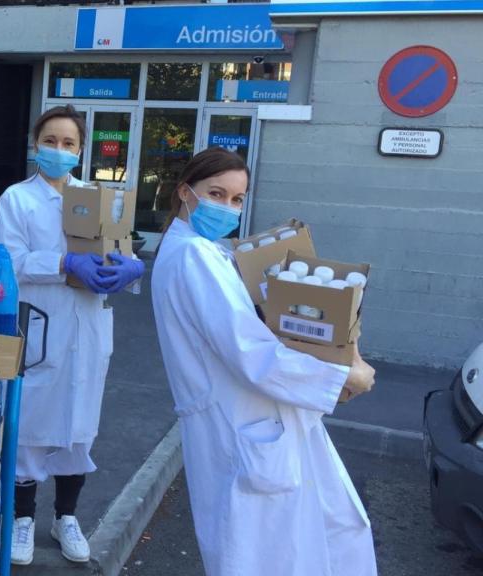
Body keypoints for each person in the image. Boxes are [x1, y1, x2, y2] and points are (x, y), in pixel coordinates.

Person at [150, 147, 378, 576]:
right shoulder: (194, 257)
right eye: (216, 194)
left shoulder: (205, 251)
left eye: (237, 199)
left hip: (253, 422)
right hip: (241, 425)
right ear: (185, 192)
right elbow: (250, 353)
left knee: (301, 543)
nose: (228, 207)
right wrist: (345, 374)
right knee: (268, 554)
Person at [0, 104, 145, 565]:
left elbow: (118, 246)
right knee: (29, 427)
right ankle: (22, 519)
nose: (58, 150)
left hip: (88, 323)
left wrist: (132, 267)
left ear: (81, 151)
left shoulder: (99, 198)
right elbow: (10, 260)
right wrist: (63, 263)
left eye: (68, 144)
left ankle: (66, 518)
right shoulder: (16, 199)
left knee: (80, 426)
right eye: (50, 142)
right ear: (35, 145)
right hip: (40, 320)